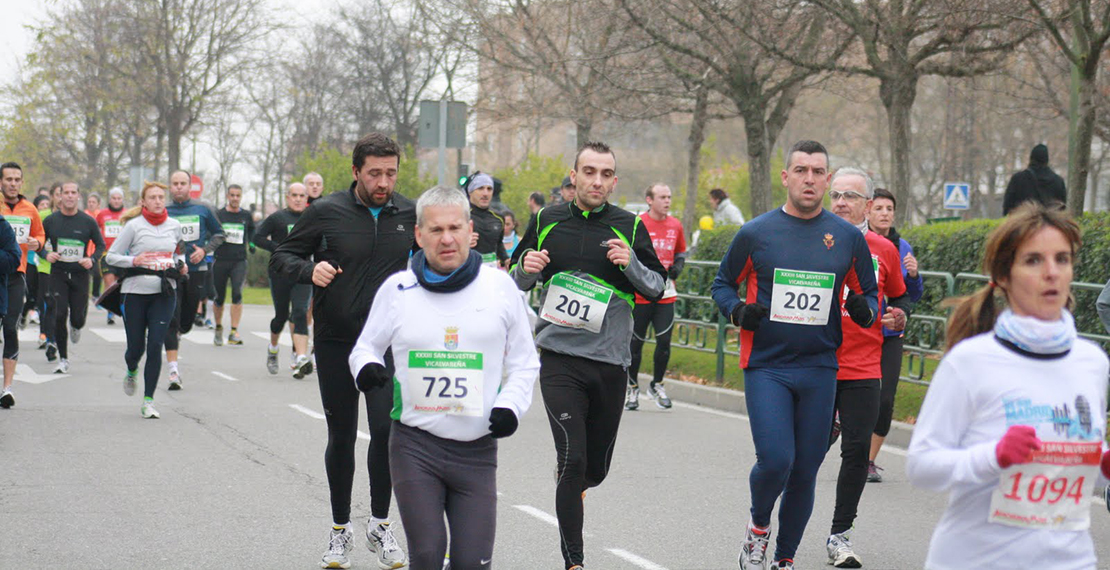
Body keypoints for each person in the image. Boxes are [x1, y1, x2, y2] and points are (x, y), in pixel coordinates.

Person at [907, 203, 1110, 570]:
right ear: (1003, 277)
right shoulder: (970, 362)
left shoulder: (1091, 362)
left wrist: (1103, 462)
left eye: (1062, 259)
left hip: (1071, 560)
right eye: (1033, 261)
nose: (1052, 273)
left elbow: (1072, 457)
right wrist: (994, 456)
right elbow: (921, 465)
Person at [348, 185, 539, 570]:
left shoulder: (500, 288)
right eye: (436, 230)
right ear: (419, 235)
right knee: (428, 554)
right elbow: (363, 348)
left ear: (472, 231)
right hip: (415, 446)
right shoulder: (398, 290)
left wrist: (510, 407)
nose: (447, 239)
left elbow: (524, 362)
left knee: (472, 563)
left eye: (455, 228)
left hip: (477, 450)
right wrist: (367, 369)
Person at [710, 140, 878, 570]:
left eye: (817, 172)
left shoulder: (845, 238)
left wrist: (865, 308)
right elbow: (721, 284)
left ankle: (784, 559)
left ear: (827, 179)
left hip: (820, 367)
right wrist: (737, 311)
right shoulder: (756, 233)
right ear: (786, 177)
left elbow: (870, 294)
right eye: (800, 170)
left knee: (804, 470)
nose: (809, 178)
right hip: (768, 365)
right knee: (777, 459)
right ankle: (758, 530)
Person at [510, 141, 666, 570]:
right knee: (571, 458)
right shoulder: (545, 219)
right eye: (589, 172)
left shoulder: (630, 227)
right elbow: (512, 280)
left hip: (611, 363)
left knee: (593, 469)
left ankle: (575, 485)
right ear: (574, 176)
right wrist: (526, 269)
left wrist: (630, 264)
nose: (597, 181)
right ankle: (574, 561)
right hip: (559, 358)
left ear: (614, 181)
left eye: (605, 174)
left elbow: (656, 286)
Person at [271, 133, 413, 570]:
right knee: (342, 436)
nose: (383, 181)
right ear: (356, 172)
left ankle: (380, 524)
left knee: (387, 433)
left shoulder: (409, 213)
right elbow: (281, 257)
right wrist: (309, 268)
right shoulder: (326, 212)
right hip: (336, 340)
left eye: (390, 172)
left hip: (387, 343)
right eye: (374, 173)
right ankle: (339, 531)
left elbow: (437, 260)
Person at [824, 168, 911, 568]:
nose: (842, 201)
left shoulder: (883, 249)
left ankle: (840, 536)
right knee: (800, 455)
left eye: (851, 196)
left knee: (857, 451)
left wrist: (897, 316)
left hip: (862, 363)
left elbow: (899, 299)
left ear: (867, 204)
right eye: (836, 194)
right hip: (815, 362)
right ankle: (770, 524)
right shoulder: (810, 237)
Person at [105, 182, 185, 419]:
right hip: (135, 293)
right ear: (143, 202)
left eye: (161, 197)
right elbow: (111, 256)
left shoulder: (175, 226)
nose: (158, 201)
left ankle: (148, 400)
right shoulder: (133, 226)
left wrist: (181, 264)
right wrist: (134, 261)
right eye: (153, 197)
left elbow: (179, 252)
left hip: (164, 292)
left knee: (155, 345)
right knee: (136, 348)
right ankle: (131, 369)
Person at [865, 187, 924, 483]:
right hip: (859, 334)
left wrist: (914, 275)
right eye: (879, 208)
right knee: (854, 396)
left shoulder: (903, 247)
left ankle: (869, 460)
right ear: (868, 211)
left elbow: (911, 296)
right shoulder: (858, 242)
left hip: (890, 335)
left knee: (885, 399)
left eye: (889, 208)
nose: (885, 213)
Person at [625, 183, 686, 411]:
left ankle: (657, 384)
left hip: (666, 294)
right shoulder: (637, 223)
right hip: (641, 294)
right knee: (635, 346)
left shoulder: (675, 225)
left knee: (664, 342)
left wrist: (678, 265)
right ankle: (632, 389)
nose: (667, 201)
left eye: (669, 197)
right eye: (662, 197)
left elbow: (681, 251)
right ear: (649, 200)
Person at [164, 170, 225, 390]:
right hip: (170, 271)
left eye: (182, 183)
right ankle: (173, 371)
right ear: (170, 187)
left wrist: (205, 250)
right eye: (175, 183)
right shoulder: (164, 210)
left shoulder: (203, 208)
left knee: (186, 322)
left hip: (196, 269)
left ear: (190, 187)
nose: (179, 187)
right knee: (171, 319)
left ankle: (180, 332)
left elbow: (220, 234)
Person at [42, 182, 105, 374]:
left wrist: (91, 259)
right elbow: (38, 242)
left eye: (73, 193)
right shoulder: (51, 221)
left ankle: (76, 326)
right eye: (65, 193)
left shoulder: (87, 221)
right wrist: (45, 255)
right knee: (59, 315)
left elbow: (100, 245)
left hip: (80, 275)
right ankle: (63, 359)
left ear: (78, 196)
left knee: (77, 319)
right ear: (59, 197)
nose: (69, 196)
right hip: (58, 274)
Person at [252, 182, 313, 378]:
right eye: (294, 195)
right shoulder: (277, 218)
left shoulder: (311, 218)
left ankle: (301, 357)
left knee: (300, 312)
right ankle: (273, 348)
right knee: (281, 316)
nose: (297, 199)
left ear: (306, 198)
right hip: (279, 272)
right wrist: (277, 247)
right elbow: (257, 237)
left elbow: (322, 240)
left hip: (303, 272)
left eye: (301, 196)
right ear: (287, 197)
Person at [0, 162, 43, 409]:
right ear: (1, 182)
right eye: (9, 179)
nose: (13, 183)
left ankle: (7, 388)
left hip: (16, 275)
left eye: (17, 179)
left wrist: (37, 244)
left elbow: (40, 234)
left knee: (10, 327)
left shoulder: (30, 209)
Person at [212, 184, 255, 347]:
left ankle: (233, 331)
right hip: (221, 259)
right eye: (232, 195)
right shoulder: (219, 214)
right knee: (220, 297)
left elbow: (252, 230)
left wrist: (251, 243)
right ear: (227, 196)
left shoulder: (246, 215)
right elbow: (212, 232)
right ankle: (218, 327)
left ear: (241, 197)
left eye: (238, 195)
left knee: (237, 293)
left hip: (239, 260)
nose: (235, 198)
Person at [1002, 143, 1067, 215]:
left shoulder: (1018, 179)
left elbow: (1007, 206)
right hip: (1049, 224)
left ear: (1031, 158)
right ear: (1047, 160)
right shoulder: (1058, 181)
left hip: (1024, 223)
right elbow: (1062, 208)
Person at [96, 188, 127, 325]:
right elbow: (95, 230)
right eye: (114, 198)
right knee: (109, 281)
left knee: (122, 284)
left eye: (119, 198)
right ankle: (111, 312)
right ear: (109, 199)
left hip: (122, 255)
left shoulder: (127, 215)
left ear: (122, 200)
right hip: (106, 254)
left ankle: (123, 308)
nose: (116, 201)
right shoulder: (102, 214)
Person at [465, 172, 508, 269]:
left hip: (491, 270)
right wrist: (463, 242)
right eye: (480, 188)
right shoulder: (461, 215)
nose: (485, 193)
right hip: (467, 270)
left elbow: (499, 244)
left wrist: (506, 259)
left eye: (489, 189)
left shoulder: (499, 217)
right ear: (470, 191)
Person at [32, 194, 53, 354]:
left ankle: (53, 334)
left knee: (58, 306)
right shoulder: (43, 216)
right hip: (44, 265)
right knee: (44, 301)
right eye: (59, 194)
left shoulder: (75, 218)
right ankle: (44, 334)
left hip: (63, 268)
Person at [85, 193, 103, 299]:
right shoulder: (84, 215)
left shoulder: (100, 216)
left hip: (96, 250)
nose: (91, 204)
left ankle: (95, 294)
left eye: (93, 202)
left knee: (97, 273)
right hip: (85, 250)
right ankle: (84, 294)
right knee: (85, 276)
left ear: (98, 204)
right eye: (89, 202)